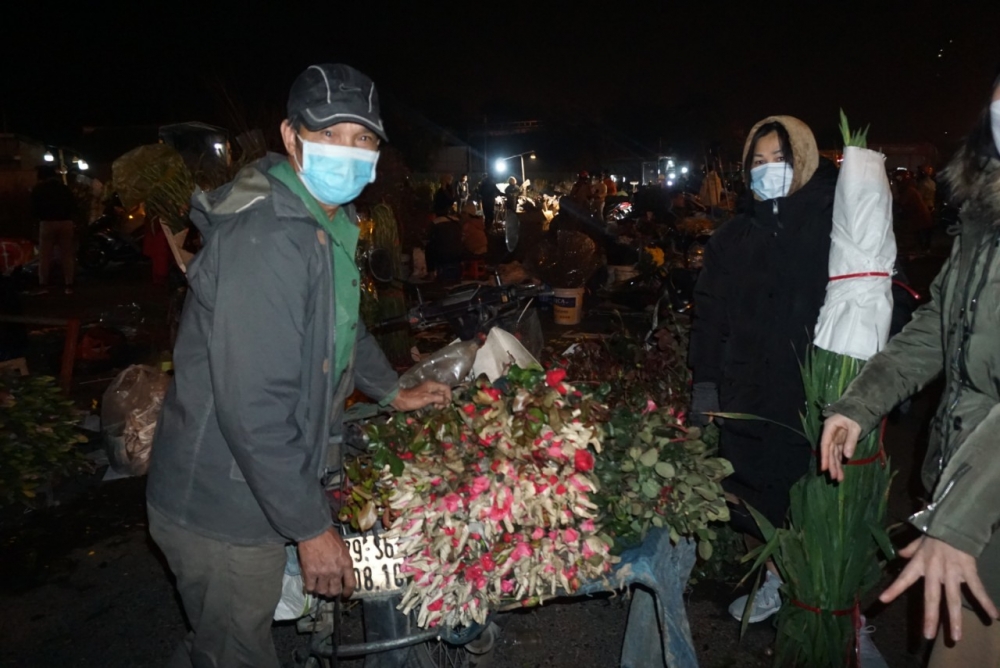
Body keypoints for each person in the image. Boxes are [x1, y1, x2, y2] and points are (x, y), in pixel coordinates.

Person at [146, 64, 451, 668]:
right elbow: (254, 408)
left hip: (250, 481)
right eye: (329, 133)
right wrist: (312, 529)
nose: (348, 150)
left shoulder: (322, 220)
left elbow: (342, 323)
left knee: (216, 642)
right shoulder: (268, 237)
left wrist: (391, 391)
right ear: (291, 136)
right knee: (234, 650)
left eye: (362, 138)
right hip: (224, 504)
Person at [820, 75, 1000, 668]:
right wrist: (858, 403)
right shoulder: (984, 219)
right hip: (959, 485)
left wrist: (960, 526)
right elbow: (936, 327)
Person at [689, 116, 838, 624]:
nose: (768, 169)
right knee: (753, 495)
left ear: (805, 161)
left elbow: (883, 298)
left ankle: (833, 607)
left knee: (814, 496)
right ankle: (775, 578)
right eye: (758, 161)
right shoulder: (732, 240)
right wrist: (706, 385)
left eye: (780, 159)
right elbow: (710, 318)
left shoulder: (838, 226)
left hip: (814, 393)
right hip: (749, 393)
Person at [31, 166, 77, 294]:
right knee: (67, 254)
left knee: (44, 256)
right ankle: (69, 284)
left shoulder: (39, 189)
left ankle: (43, 284)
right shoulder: (64, 188)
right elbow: (73, 206)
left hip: (47, 222)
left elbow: (34, 209)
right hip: (66, 222)